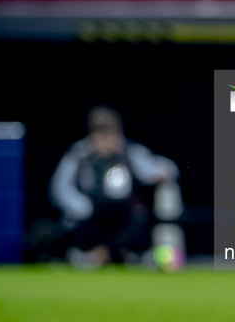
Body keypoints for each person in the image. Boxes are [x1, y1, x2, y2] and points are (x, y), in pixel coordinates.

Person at [50, 105, 184, 269]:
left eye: (110, 134)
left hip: (123, 220)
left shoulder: (129, 151)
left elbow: (168, 169)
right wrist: (84, 207)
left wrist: (159, 174)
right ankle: (94, 254)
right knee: (77, 223)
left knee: (138, 213)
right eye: (100, 134)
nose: (106, 140)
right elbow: (60, 189)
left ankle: (163, 250)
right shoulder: (78, 154)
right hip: (91, 217)